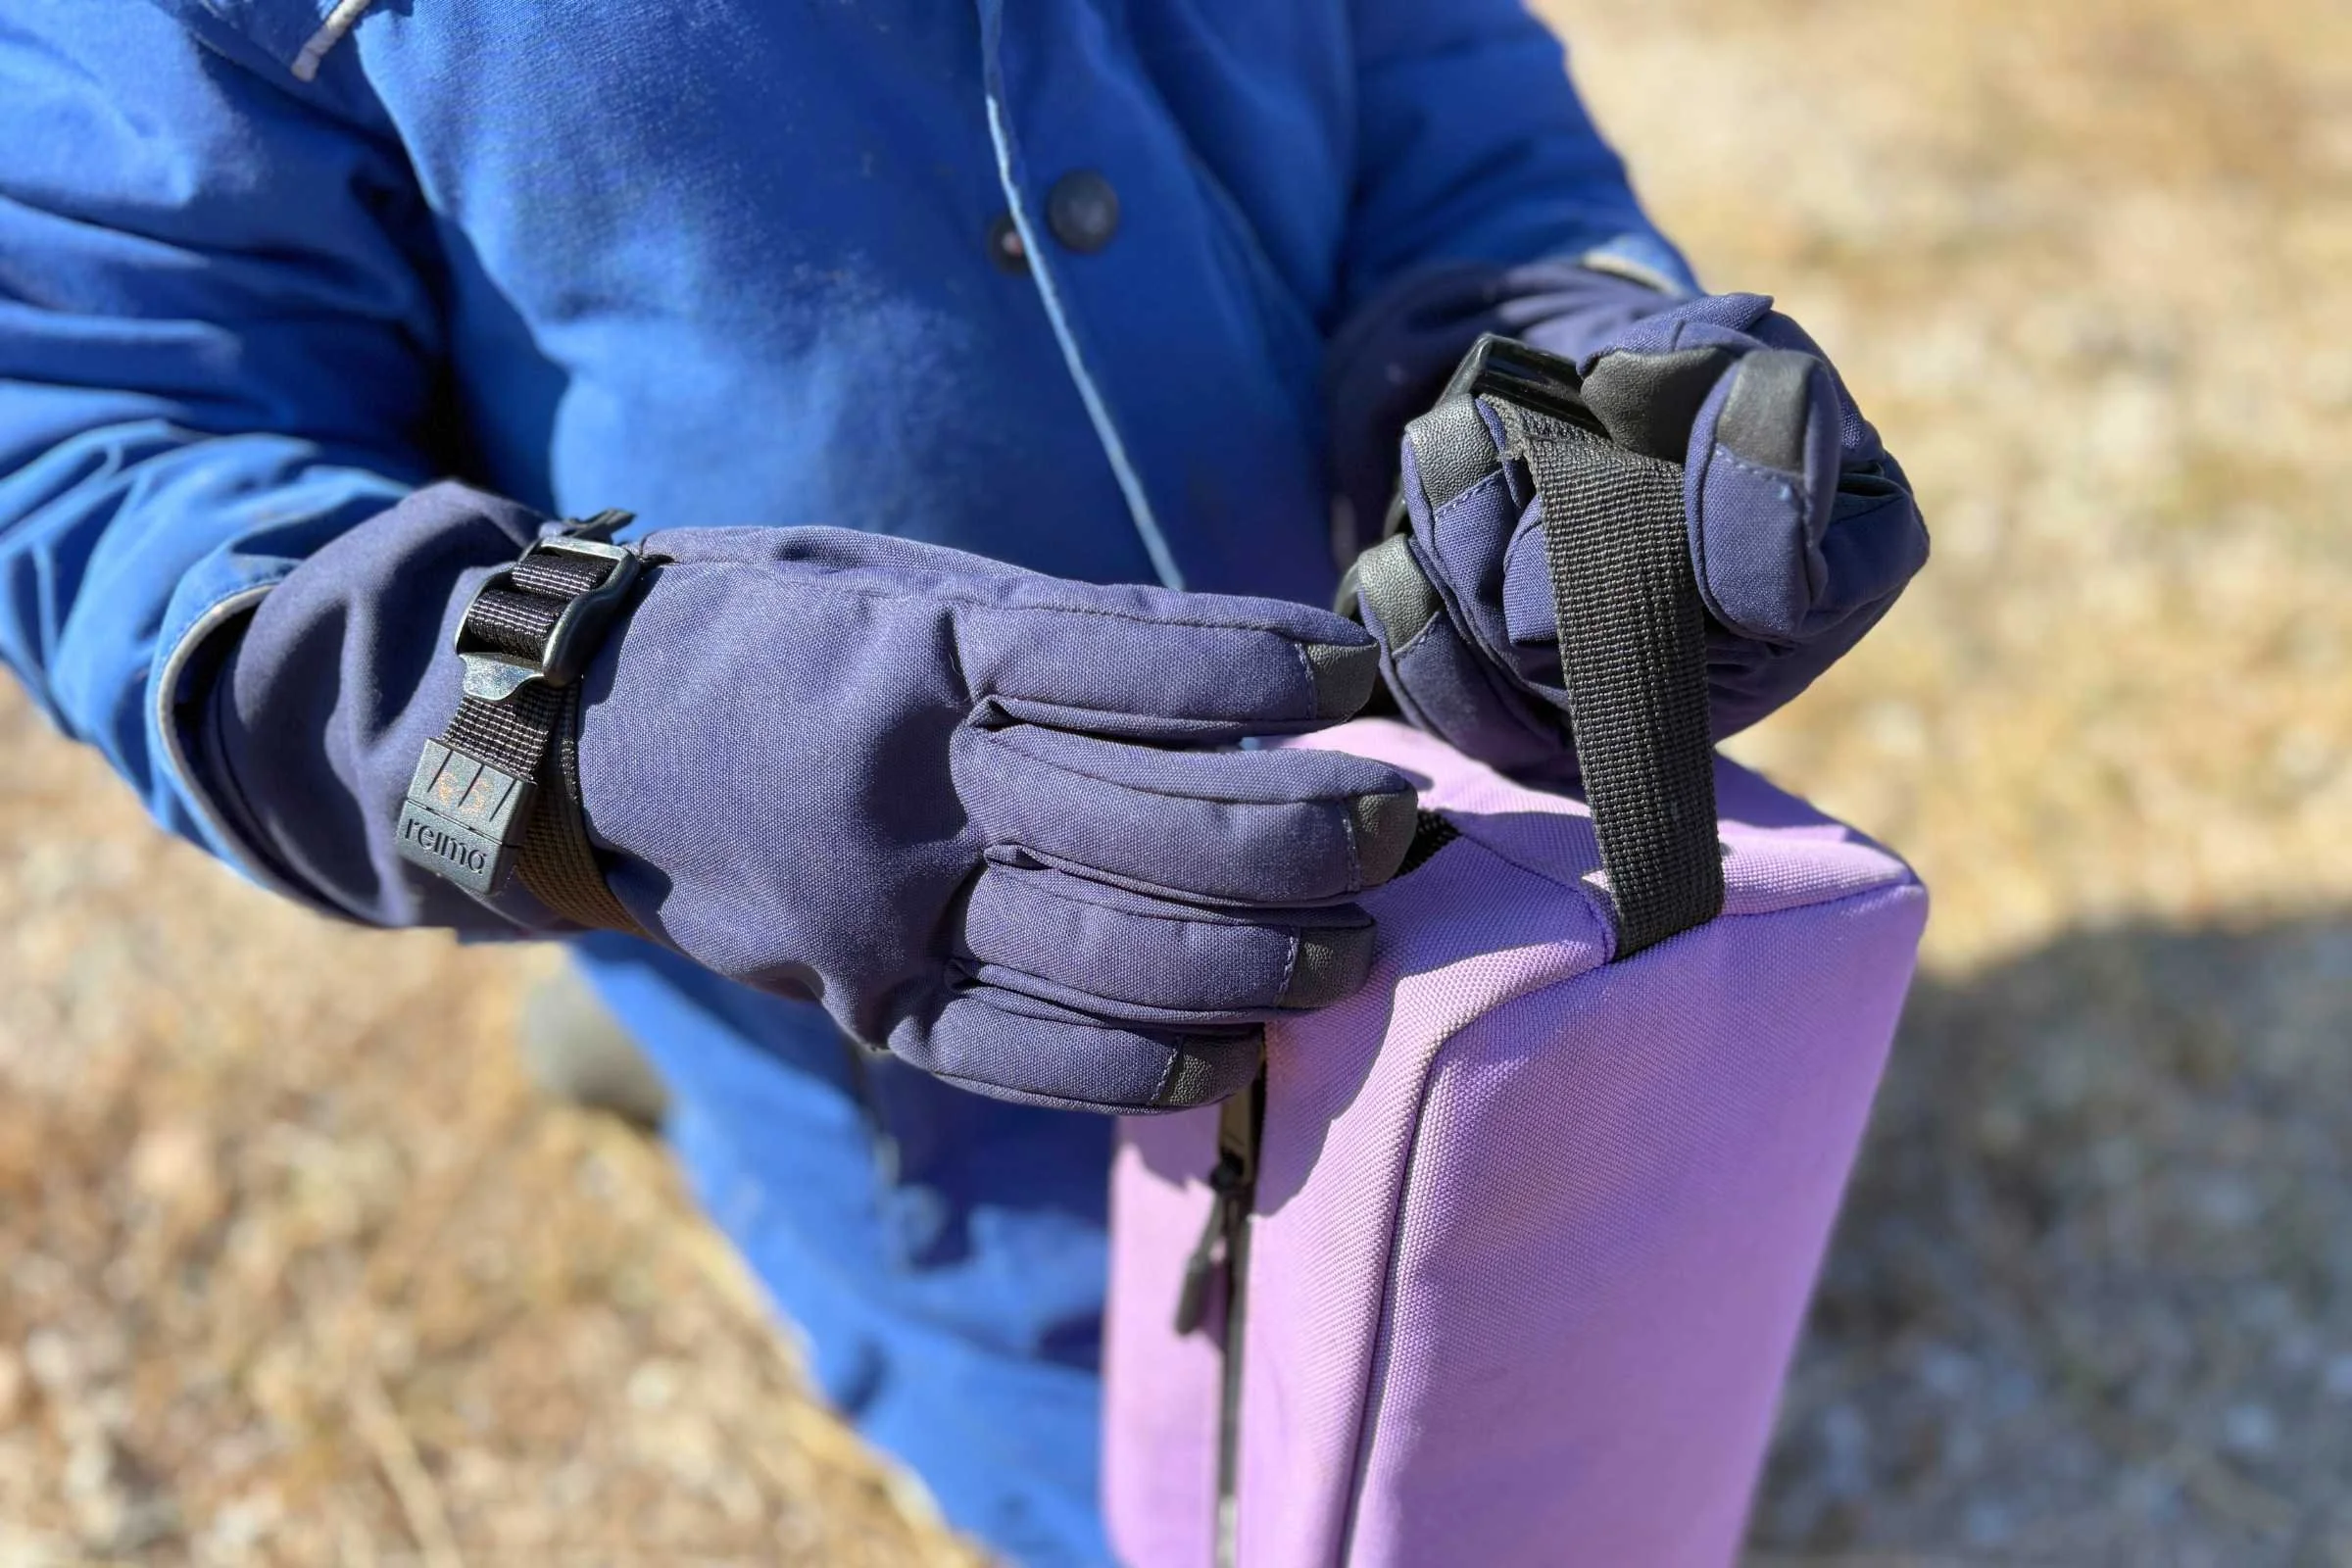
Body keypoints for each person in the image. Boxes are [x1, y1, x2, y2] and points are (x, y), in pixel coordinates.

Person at [0, 3, 1925, 1561]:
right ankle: (681, 1045)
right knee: (1206, 1500)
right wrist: (607, 741)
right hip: (918, 1061)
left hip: (1401, 852)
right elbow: (109, 451)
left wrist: (1556, 355)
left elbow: (1436, 77)